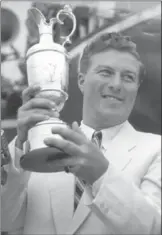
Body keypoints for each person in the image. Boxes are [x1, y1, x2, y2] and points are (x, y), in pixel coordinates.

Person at [1, 32, 161, 235]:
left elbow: (155, 228)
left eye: (128, 77)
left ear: (136, 88)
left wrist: (101, 175)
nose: (116, 84)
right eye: (105, 72)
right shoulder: (40, 147)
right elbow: (4, 221)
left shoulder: (156, 149)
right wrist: (20, 145)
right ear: (81, 81)